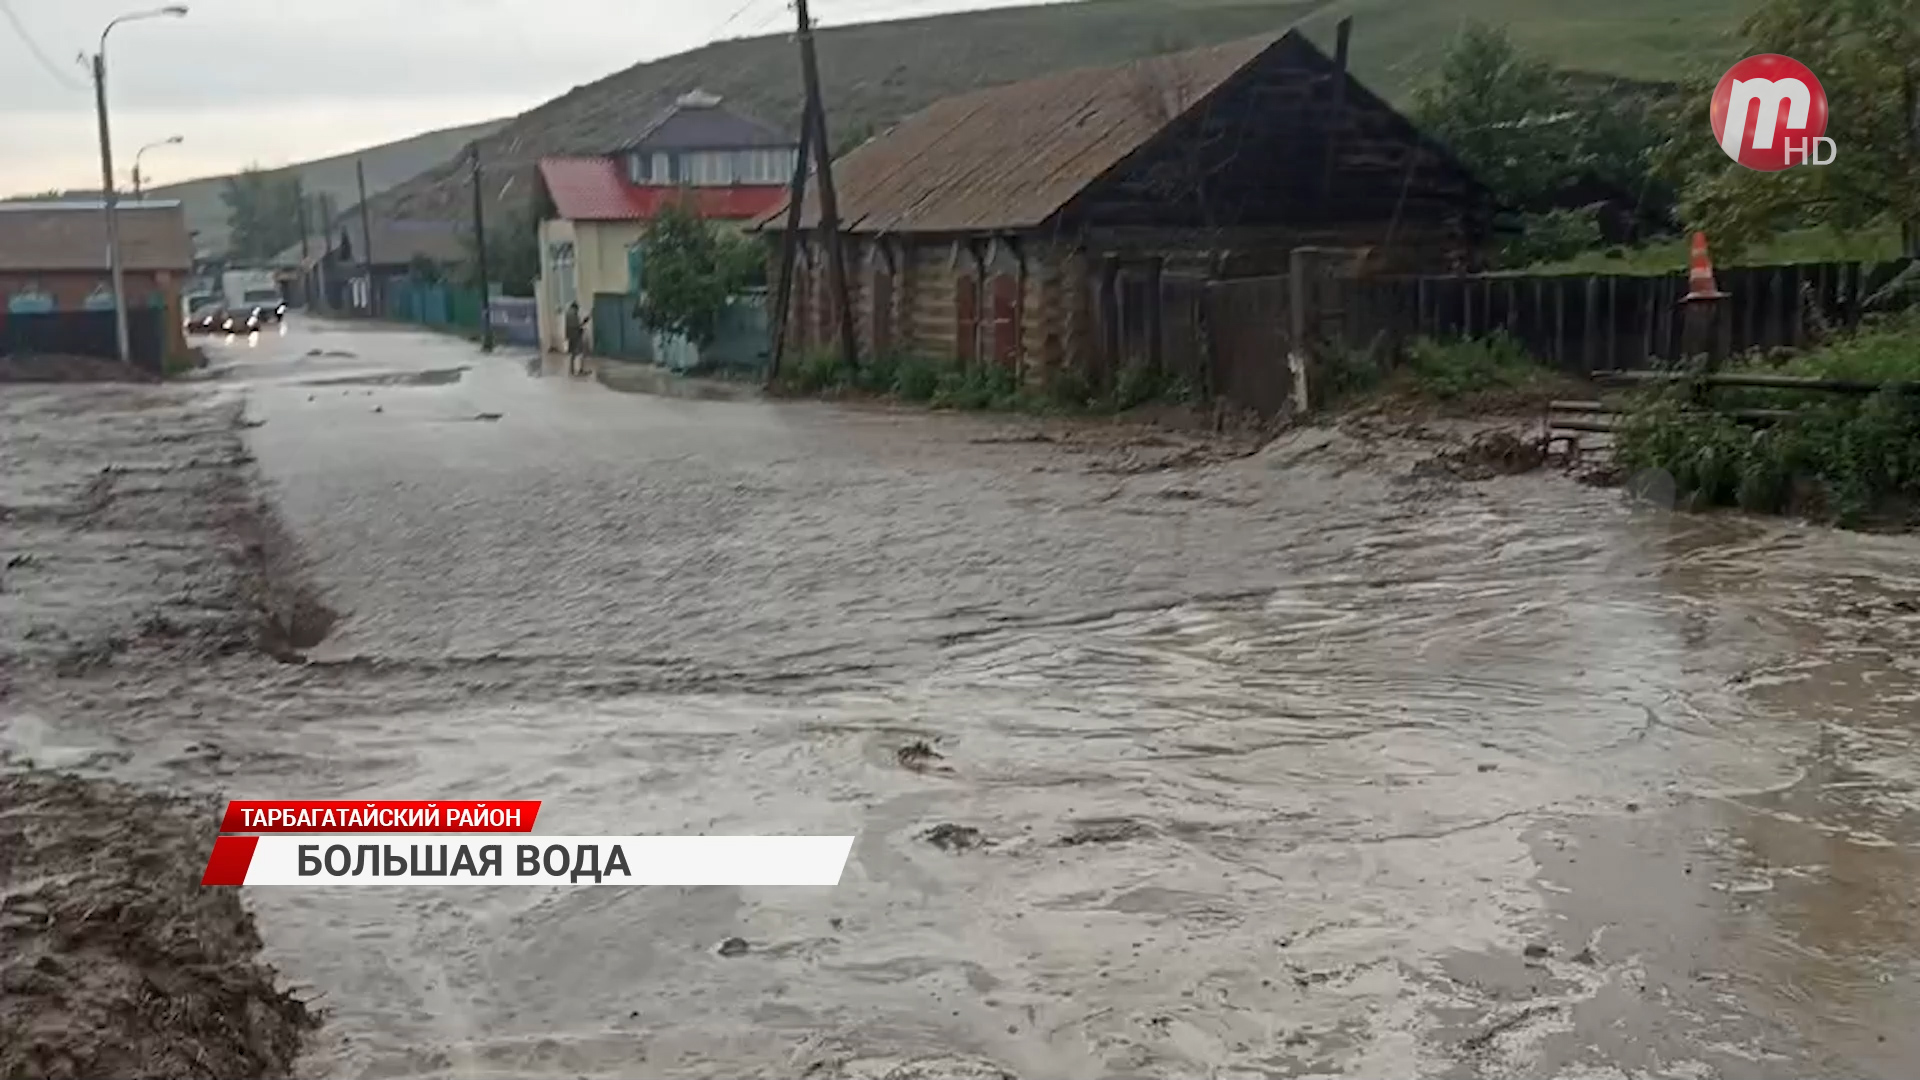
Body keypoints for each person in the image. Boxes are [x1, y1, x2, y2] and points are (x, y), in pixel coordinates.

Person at [563, 302, 591, 376]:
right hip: (576, 336)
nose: (577, 311)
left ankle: (572, 370)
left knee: (573, 354)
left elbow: (571, 326)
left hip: (570, 336)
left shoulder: (568, 313)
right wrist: (584, 323)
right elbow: (576, 326)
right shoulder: (573, 314)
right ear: (575, 308)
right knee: (580, 352)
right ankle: (580, 370)